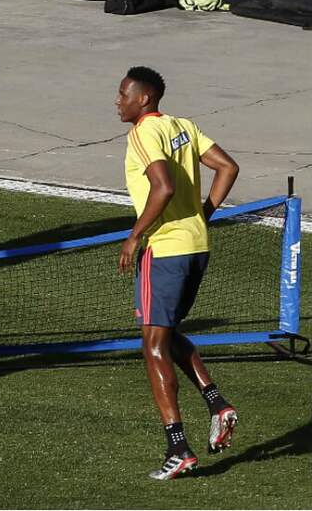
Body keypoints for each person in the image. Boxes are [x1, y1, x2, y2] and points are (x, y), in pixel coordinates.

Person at [115, 66, 241, 480]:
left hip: (165, 248)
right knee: (166, 334)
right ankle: (217, 403)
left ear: (143, 99)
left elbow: (163, 187)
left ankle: (178, 447)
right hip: (197, 246)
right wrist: (203, 214)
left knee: (152, 345)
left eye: (123, 95)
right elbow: (227, 167)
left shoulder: (143, 133)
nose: (118, 102)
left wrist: (136, 236)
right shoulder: (183, 126)